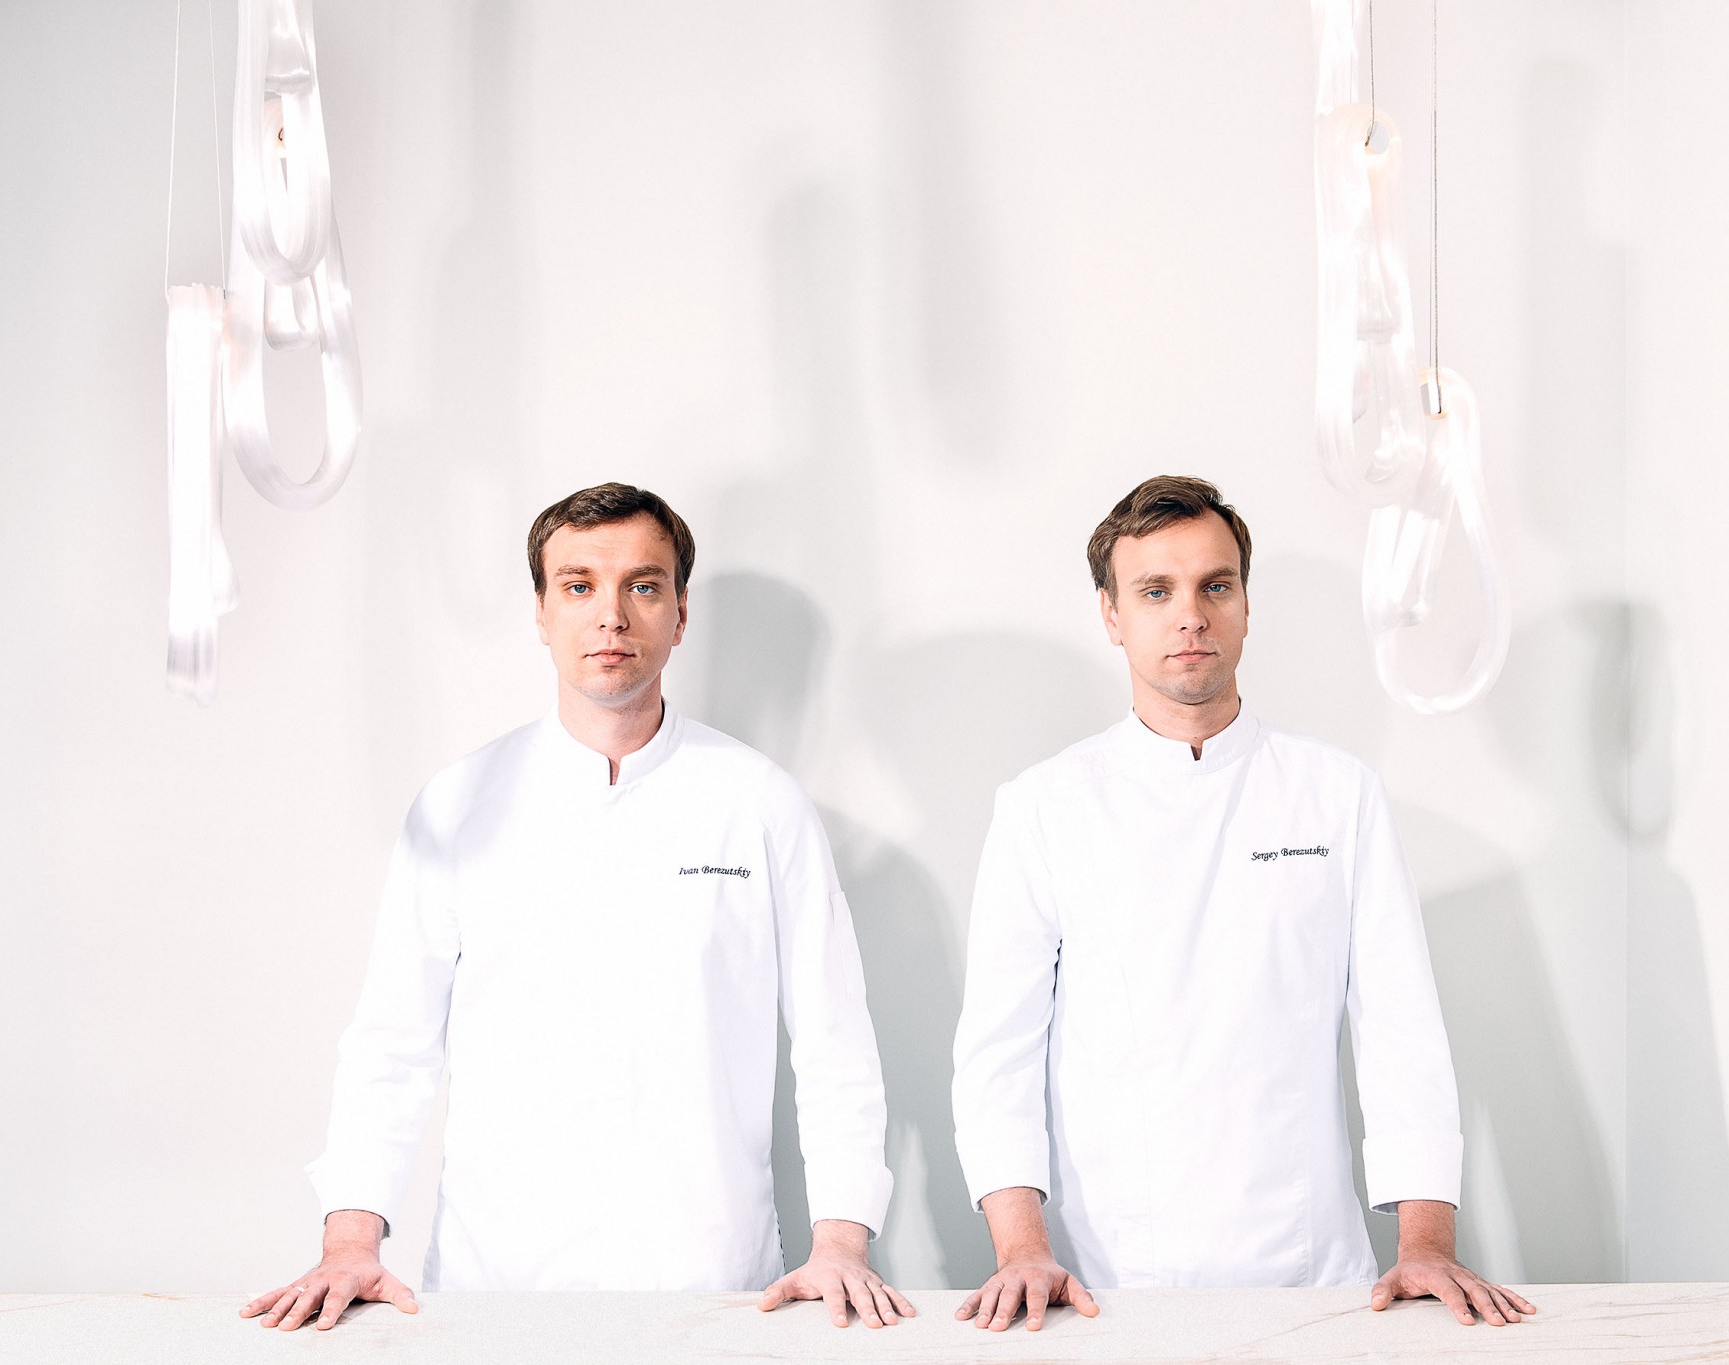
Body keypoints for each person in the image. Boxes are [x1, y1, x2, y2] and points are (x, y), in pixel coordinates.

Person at [243, 483, 913, 1332]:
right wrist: (349, 1241)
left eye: (643, 585)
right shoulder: (458, 804)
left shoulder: (760, 803)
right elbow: (393, 1042)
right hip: (495, 1286)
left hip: (710, 1280)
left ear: (680, 613)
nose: (611, 616)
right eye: (579, 585)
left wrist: (842, 1242)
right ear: (541, 611)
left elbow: (833, 1043)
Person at [948, 475, 1534, 1332]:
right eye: (1156, 591)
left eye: (1215, 586)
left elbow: (1401, 1031)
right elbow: (998, 1054)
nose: (1191, 615)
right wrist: (1020, 1249)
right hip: (1103, 1285)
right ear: (1111, 614)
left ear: (1247, 607)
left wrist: (1428, 1242)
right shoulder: (1044, 806)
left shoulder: (1337, 795)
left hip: (1313, 1279)